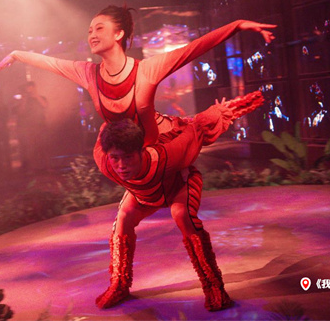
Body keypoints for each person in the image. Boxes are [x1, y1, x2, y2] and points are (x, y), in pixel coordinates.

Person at [0, 4, 276, 145]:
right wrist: (17, 54)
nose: (92, 35)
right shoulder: (87, 73)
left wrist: (238, 25)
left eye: (99, 28)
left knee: (181, 214)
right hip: (132, 162)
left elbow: (194, 48)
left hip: (162, 148)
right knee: (126, 219)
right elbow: (50, 63)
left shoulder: (147, 70)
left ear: (118, 34)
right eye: (90, 30)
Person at [92, 91, 264, 311]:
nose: (121, 165)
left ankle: (214, 286)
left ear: (141, 151)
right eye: (115, 158)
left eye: (128, 157)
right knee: (123, 219)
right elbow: (106, 124)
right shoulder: (104, 161)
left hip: (178, 184)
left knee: (181, 215)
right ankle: (119, 284)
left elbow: (197, 126)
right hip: (144, 194)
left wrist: (230, 109)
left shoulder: (168, 155)